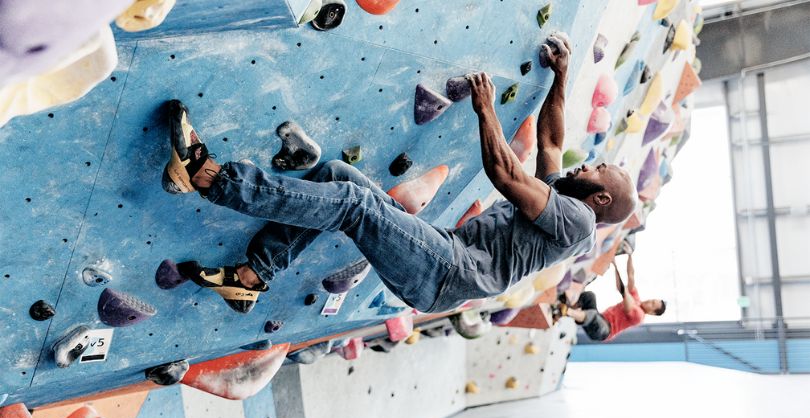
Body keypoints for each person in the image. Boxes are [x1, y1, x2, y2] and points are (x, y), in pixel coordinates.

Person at [160, 33, 637, 314]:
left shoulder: (577, 223)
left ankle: (211, 179)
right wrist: (561, 76)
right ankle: (249, 277)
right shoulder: (565, 198)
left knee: (354, 206)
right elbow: (551, 143)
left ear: (599, 201)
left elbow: (506, 175)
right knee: (337, 177)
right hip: (443, 252)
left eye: (600, 169)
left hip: (445, 274)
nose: (589, 163)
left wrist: (485, 108)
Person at [563, 242, 666, 341]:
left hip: (604, 331)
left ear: (652, 312)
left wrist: (615, 265)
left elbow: (623, 291)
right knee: (589, 296)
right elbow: (631, 276)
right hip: (601, 317)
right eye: (652, 300)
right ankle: (563, 301)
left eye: (652, 304)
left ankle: (565, 311)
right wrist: (630, 255)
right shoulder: (636, 299)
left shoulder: (639, 316)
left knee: (593, 315)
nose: (649, 301)